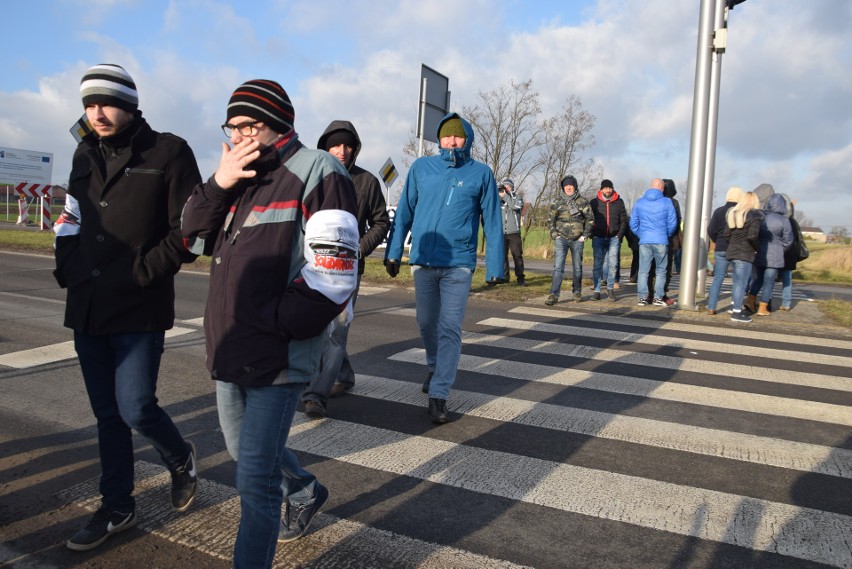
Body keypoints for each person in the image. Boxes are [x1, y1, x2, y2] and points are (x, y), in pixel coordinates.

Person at [180, 79, 359, 567]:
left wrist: (281, 323)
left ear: (278, 124)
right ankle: (302, 488)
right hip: (231, 346)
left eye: (249, 126)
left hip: (279, 353)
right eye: (232, 127)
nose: (238, 136)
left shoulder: (318, 169)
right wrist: (219, 183)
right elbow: (191, 238)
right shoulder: (236, 176)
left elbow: (335, 271)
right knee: (241, 451)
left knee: (253, 480)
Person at [53, 64, 201, 552]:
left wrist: (143, 271)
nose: (97, 113)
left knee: (135, 406)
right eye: (89, 104)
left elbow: (190, 233)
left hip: (140, 307)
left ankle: (180, 458)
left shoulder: (169, 151)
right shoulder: (82, 154)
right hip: (88, 306)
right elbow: (71, 220)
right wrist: (68, 268)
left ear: (131, 104)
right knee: (106, 415)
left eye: (107, 102)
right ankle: (117, 506)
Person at [384, 112, 504, 424]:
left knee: (450, 326)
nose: (451, 141)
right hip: (423, 260)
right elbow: (405, 213)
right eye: (446, 135)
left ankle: (440, 392)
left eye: (457, 135)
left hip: (459, 264)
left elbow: (492, 221)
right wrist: (394, 252)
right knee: (426, 323)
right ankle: (435, 365)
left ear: (468, 139)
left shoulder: (481, 174)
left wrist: (494, 265)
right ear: (439, 139)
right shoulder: (422, 168)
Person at [301, 121, 390, 419]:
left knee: (337, 331)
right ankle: (345, 374)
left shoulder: (367, 181)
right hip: (312, 268)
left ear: (354, 148)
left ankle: (316, 394)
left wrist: (358, 249)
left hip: (349, 271)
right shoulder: (314, 178)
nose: (341, 150)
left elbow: (381, 222)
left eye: (347, 145)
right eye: (335, 144)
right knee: (316, 328)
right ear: (325, 147)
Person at [545, 175, 593, 305]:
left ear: (575, 186)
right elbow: (550, 220)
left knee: (577, 268)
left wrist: (585, 235)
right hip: (561, 239)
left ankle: (577, 292)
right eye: (566, 185)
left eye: (571, 185)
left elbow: (590, 220)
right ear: (563, 187)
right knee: (558, 268)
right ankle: (554, 295)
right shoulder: (557, 202)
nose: (568, 187)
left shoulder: (583, 202)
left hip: (578, 240)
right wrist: (555, 234)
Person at [630, 178, 677, 306]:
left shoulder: (639, 202)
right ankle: (658, 297)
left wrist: (642, 234)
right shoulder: (667, 202)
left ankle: (642, 298)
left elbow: (633, 224)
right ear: (662, 188)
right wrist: (665, 234)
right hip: (661, 240)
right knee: (661, 271)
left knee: (643, 271)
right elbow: (673, 223)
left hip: (645, 241)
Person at [745, 193, 793, 316]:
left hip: (760, 252)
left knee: (759, 279)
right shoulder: (784, 220)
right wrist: (781, 250)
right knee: (769, 282)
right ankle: (762, 308)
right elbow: (788, 240)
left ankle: (750, 300)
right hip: (775, 254)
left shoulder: (761, 216)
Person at [723, 191, 762, 323]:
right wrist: (758, 248)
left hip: (732, 253)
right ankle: (737, 313)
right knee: (741, 283)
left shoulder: (733, 214)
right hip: (745, 254)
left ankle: (735, 306)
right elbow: (752, 236)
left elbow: (726, 234)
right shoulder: (755, 216)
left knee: (737, 283)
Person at [706, 186, 745, 314]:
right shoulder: (741, 213)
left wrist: (717, 240)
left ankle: (711, 307)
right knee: (737, 279)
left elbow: (711, 230)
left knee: (718, 278)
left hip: (721, 248)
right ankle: (735, 306)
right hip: (736, 249)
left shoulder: (718, 211)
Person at [589, 179, 627, 301]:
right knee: (597, 265)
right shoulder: (594, 203)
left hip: (613, 238)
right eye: (605, 188)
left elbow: (624, 220)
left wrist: (619, 235)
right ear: (601, 189)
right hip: (598, 238)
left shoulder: (619, 202)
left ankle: (610, 288)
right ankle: (597, 290)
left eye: (610, 188)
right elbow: (589, 220)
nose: (608, 190)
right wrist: (593, 234)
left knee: (613, 264)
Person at [499, 178, 527, 286]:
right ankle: (505, 277)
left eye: (508, 186)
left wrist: (505, 196)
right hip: (502, 232)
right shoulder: (499, 199)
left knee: (517, 255)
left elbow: (515, 206)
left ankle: (520, 277)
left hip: (514, 232)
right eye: (504, 187)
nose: (506, 188)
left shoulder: (518, 198)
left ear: (512, 188)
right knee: (503, 255)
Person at [779, 194, 804, 311]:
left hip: (778, 254)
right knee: (787, 280)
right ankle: (786, 303)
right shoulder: (793, 222)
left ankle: (766, 303)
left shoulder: (778, 220)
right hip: (790, 255)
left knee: (769, 279)